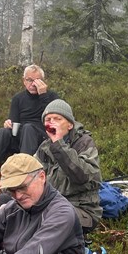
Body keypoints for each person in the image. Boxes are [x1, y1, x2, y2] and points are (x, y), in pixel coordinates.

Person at [0, 65, 58, 191]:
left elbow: (54, 118)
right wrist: (8, 123)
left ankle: (25, 176)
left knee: (28, 128)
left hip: (41, 137)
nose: (33, 84)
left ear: (43, 81)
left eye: (37, 80)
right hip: (21, 136)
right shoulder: (18, 98)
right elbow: (14, 121)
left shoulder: (51, 97)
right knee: (3, 132)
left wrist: (43, 96)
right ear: (24, 81)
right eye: (29, 80)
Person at [36, 99, 102, 233]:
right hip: (49, 205)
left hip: (82, 211)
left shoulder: (84, 143)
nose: (52, 122)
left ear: (70, 125)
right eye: (48, 119)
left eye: (57, 118)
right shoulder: (44, 147)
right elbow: (29, 173)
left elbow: (82, 176)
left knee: (47, 217)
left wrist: (58, 145)